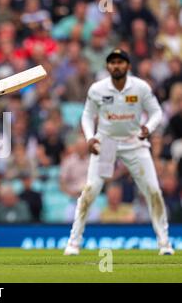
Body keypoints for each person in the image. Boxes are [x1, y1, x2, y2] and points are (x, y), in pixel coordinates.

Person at [64, 49, 175, 256]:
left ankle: (164, 243)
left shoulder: (140, 87)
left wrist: (148, 128)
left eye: (121, 62)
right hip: (106, 143)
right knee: (91, 191)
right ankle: (73, 242)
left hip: (134, 142)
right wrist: (90, 137)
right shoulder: (97, 89)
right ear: (108, 67)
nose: (116, 66)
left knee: (153, 191)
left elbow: (156, 112)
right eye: (112, 62)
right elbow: (87, 116)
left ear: (128, 66)